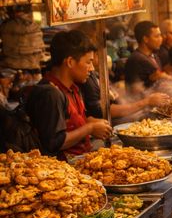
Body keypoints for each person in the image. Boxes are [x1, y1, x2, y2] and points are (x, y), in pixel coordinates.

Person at [26, 30, 111, 158]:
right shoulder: (51, 94)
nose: (92, 68)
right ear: (70, 62)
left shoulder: (73, 88)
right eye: (88, 62)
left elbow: (69, 121)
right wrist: (89, 128)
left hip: (83, 156)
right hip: (63, 169)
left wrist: (89, 121)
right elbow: (54, 142)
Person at [125, 20, 169, 93]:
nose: (161, 39)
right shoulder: (136, 59)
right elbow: (134, 91)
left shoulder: (154, 56)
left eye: (160, 35)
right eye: (157, 36)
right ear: (145, 39)